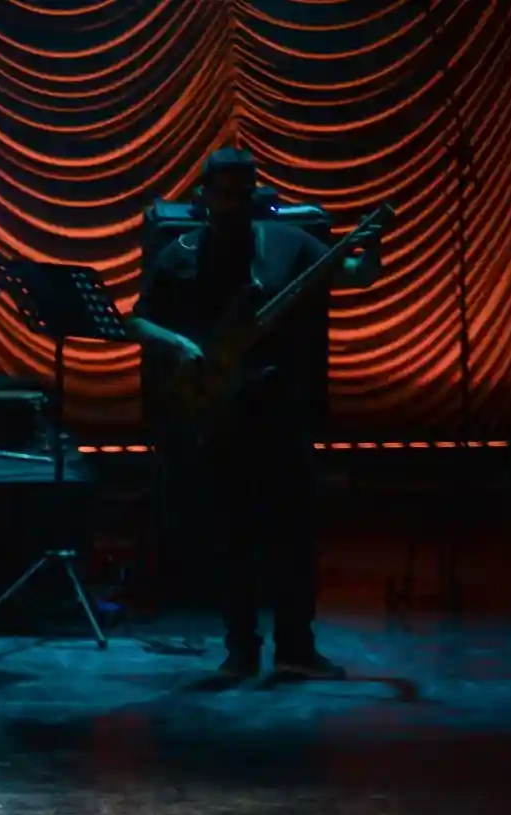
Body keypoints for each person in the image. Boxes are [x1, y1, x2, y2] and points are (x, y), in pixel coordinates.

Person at [128, 147, 383, 679]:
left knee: (294, 538)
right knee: (233, 539)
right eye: (224, 195)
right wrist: (180, 345)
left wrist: (371, 243)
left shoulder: (288, 244)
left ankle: (296, 649)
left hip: (281, 409)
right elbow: (139, 320)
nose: (234, 205)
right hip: (219, 412)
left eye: (244, 196)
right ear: (203, 196)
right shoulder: (179, 254)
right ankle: (240, 650)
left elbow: (354, 275)